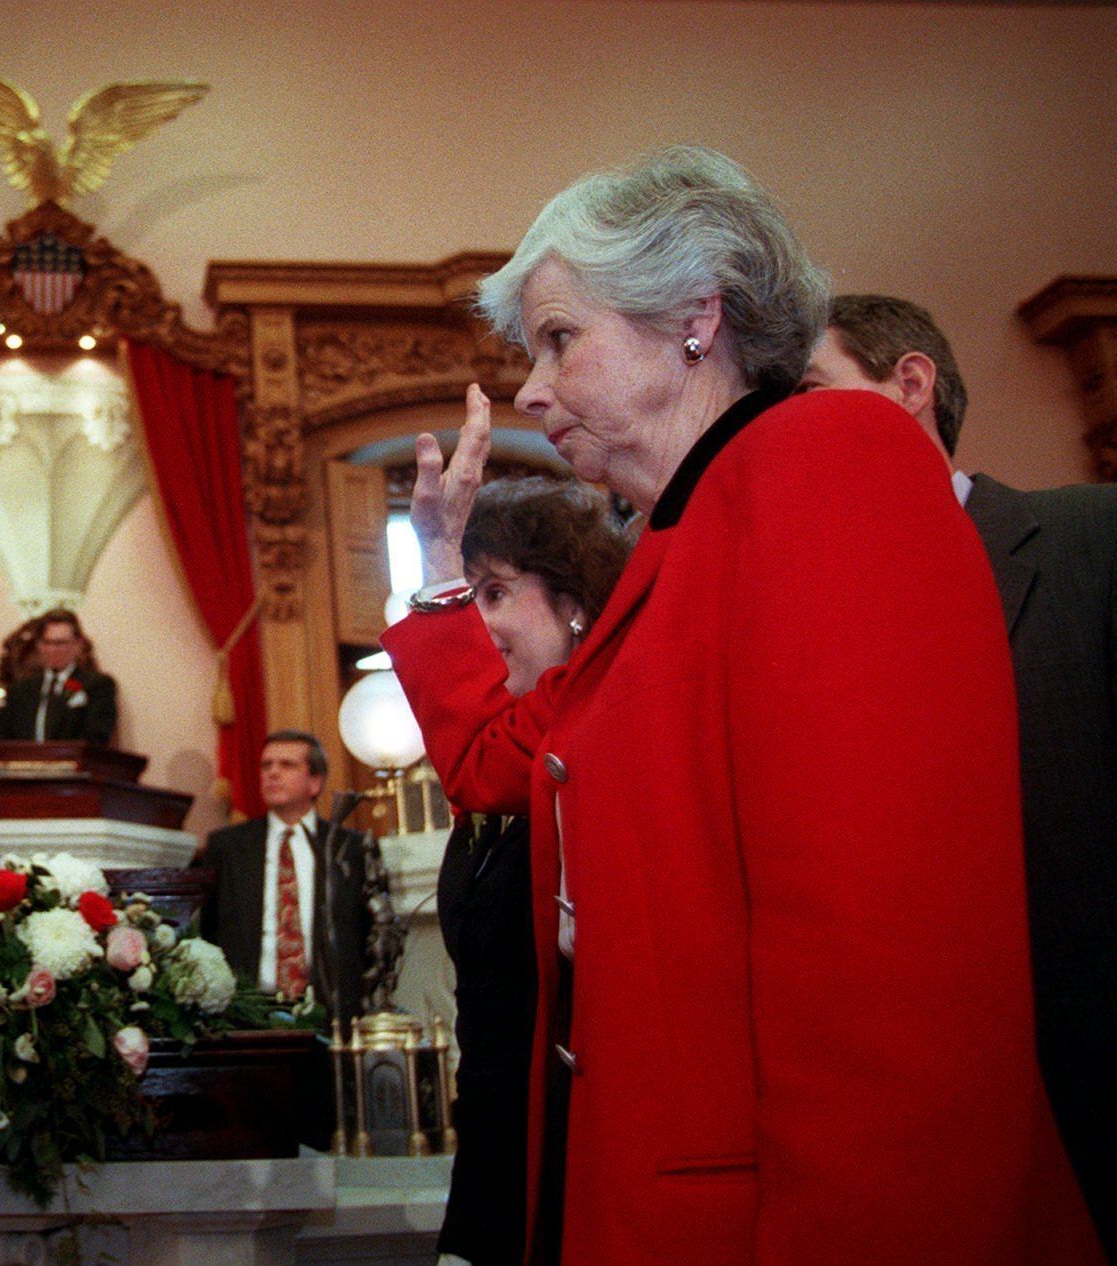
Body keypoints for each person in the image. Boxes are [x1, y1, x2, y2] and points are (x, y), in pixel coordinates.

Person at [380, 146, 1094, 1264]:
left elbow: (891, 999)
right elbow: (493, 762)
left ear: (694, 319)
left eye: (560, 338)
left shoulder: (829, 462)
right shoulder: (677, 548)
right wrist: (437, 561)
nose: (528, 387)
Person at [803, 293, 1117, 1254]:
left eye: (811, 393)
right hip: (943, 1129)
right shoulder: (814, 619)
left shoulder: (1090, 542)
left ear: (910, 384)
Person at [431, 479, 628, 1266]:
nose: (477, 624)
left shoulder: (596, 744)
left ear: (577, 601)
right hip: (492, 1167)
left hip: (580, 1163)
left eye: (498, 592)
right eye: (468, 594)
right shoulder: (486, 799)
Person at [193, 731, 368, 1019]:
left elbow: (366, 932)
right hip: (246, 1013)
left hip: (330, 1013)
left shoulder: (348, 848)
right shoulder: (227, 847)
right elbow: (206, 927)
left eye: (286, 765)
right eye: (266, 765)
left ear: (315, 781)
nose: (273, 773)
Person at [0, 609, 118, 745]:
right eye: (47, 643)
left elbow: (97, 736)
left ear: (78, 645)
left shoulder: (97, 686)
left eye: (60, 643)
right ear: (38, 645)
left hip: (75, 762)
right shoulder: (20, 690)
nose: (52, 650)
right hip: (24, 763)